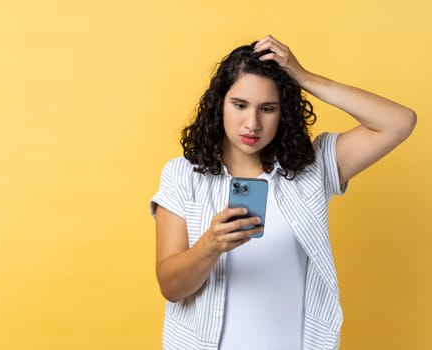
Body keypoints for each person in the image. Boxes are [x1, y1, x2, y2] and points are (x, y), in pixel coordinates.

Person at [150, 35, 416, 350]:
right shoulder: (183, 175)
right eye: (239, 105)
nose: (252, 123)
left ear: (283, 112)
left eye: (268, 108)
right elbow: (171, 287)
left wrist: (304, 77)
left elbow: (399, 122)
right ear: (218, 104)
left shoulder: (312, 169)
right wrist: (210, 245)